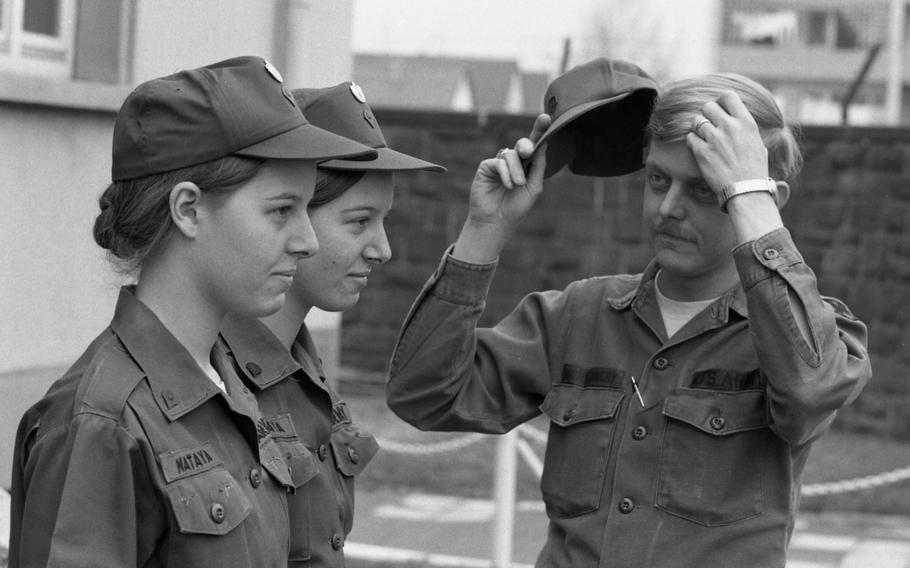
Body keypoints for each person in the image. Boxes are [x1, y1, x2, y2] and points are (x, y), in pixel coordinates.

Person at [386, 58, 872, 567]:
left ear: (766, 201)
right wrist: (484, 231)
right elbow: (422, 395)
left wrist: (751, 198)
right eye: (659, 180)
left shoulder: (812, 333)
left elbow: (810, 391)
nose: (668, 208)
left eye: (704, 189)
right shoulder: (580, 314)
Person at [8, 56, 376, 568]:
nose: (308, 241)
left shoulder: (234, 392)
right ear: (188, 210)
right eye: (280, 211)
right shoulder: (101, 424)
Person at [218, 81, 445, 566]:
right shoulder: (214, 382)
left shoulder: (305, 373)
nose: (383, 250)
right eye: (359, 221)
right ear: (291, 211)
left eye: (383, 221)